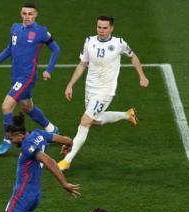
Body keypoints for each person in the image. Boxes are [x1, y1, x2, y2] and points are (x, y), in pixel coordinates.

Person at [57, 16, 150, 171]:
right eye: (99, 27)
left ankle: (67, 160)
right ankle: (128, 115)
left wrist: (142, 76)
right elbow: (82, 64)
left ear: (111, 28)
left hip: (106, 90)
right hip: (90, 88)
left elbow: (133, 56)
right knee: (95, 120)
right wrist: (70, 84)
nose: (101, 30)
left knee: (85, 121)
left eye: (105, 28)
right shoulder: (89, 41)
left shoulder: (119, 43)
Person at [0, 2, 61, 156]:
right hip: (16, 75)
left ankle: (7, 140)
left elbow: (56, 49)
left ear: (35, 15)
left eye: (30, 14)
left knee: (6, 106)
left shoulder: (41, 32)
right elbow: (9, 49)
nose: (27, 17)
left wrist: (49, 70)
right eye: (24, 13)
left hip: (27, 77)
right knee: (27, 107)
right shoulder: (15, 28)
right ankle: (51, 128)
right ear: (20, 14)